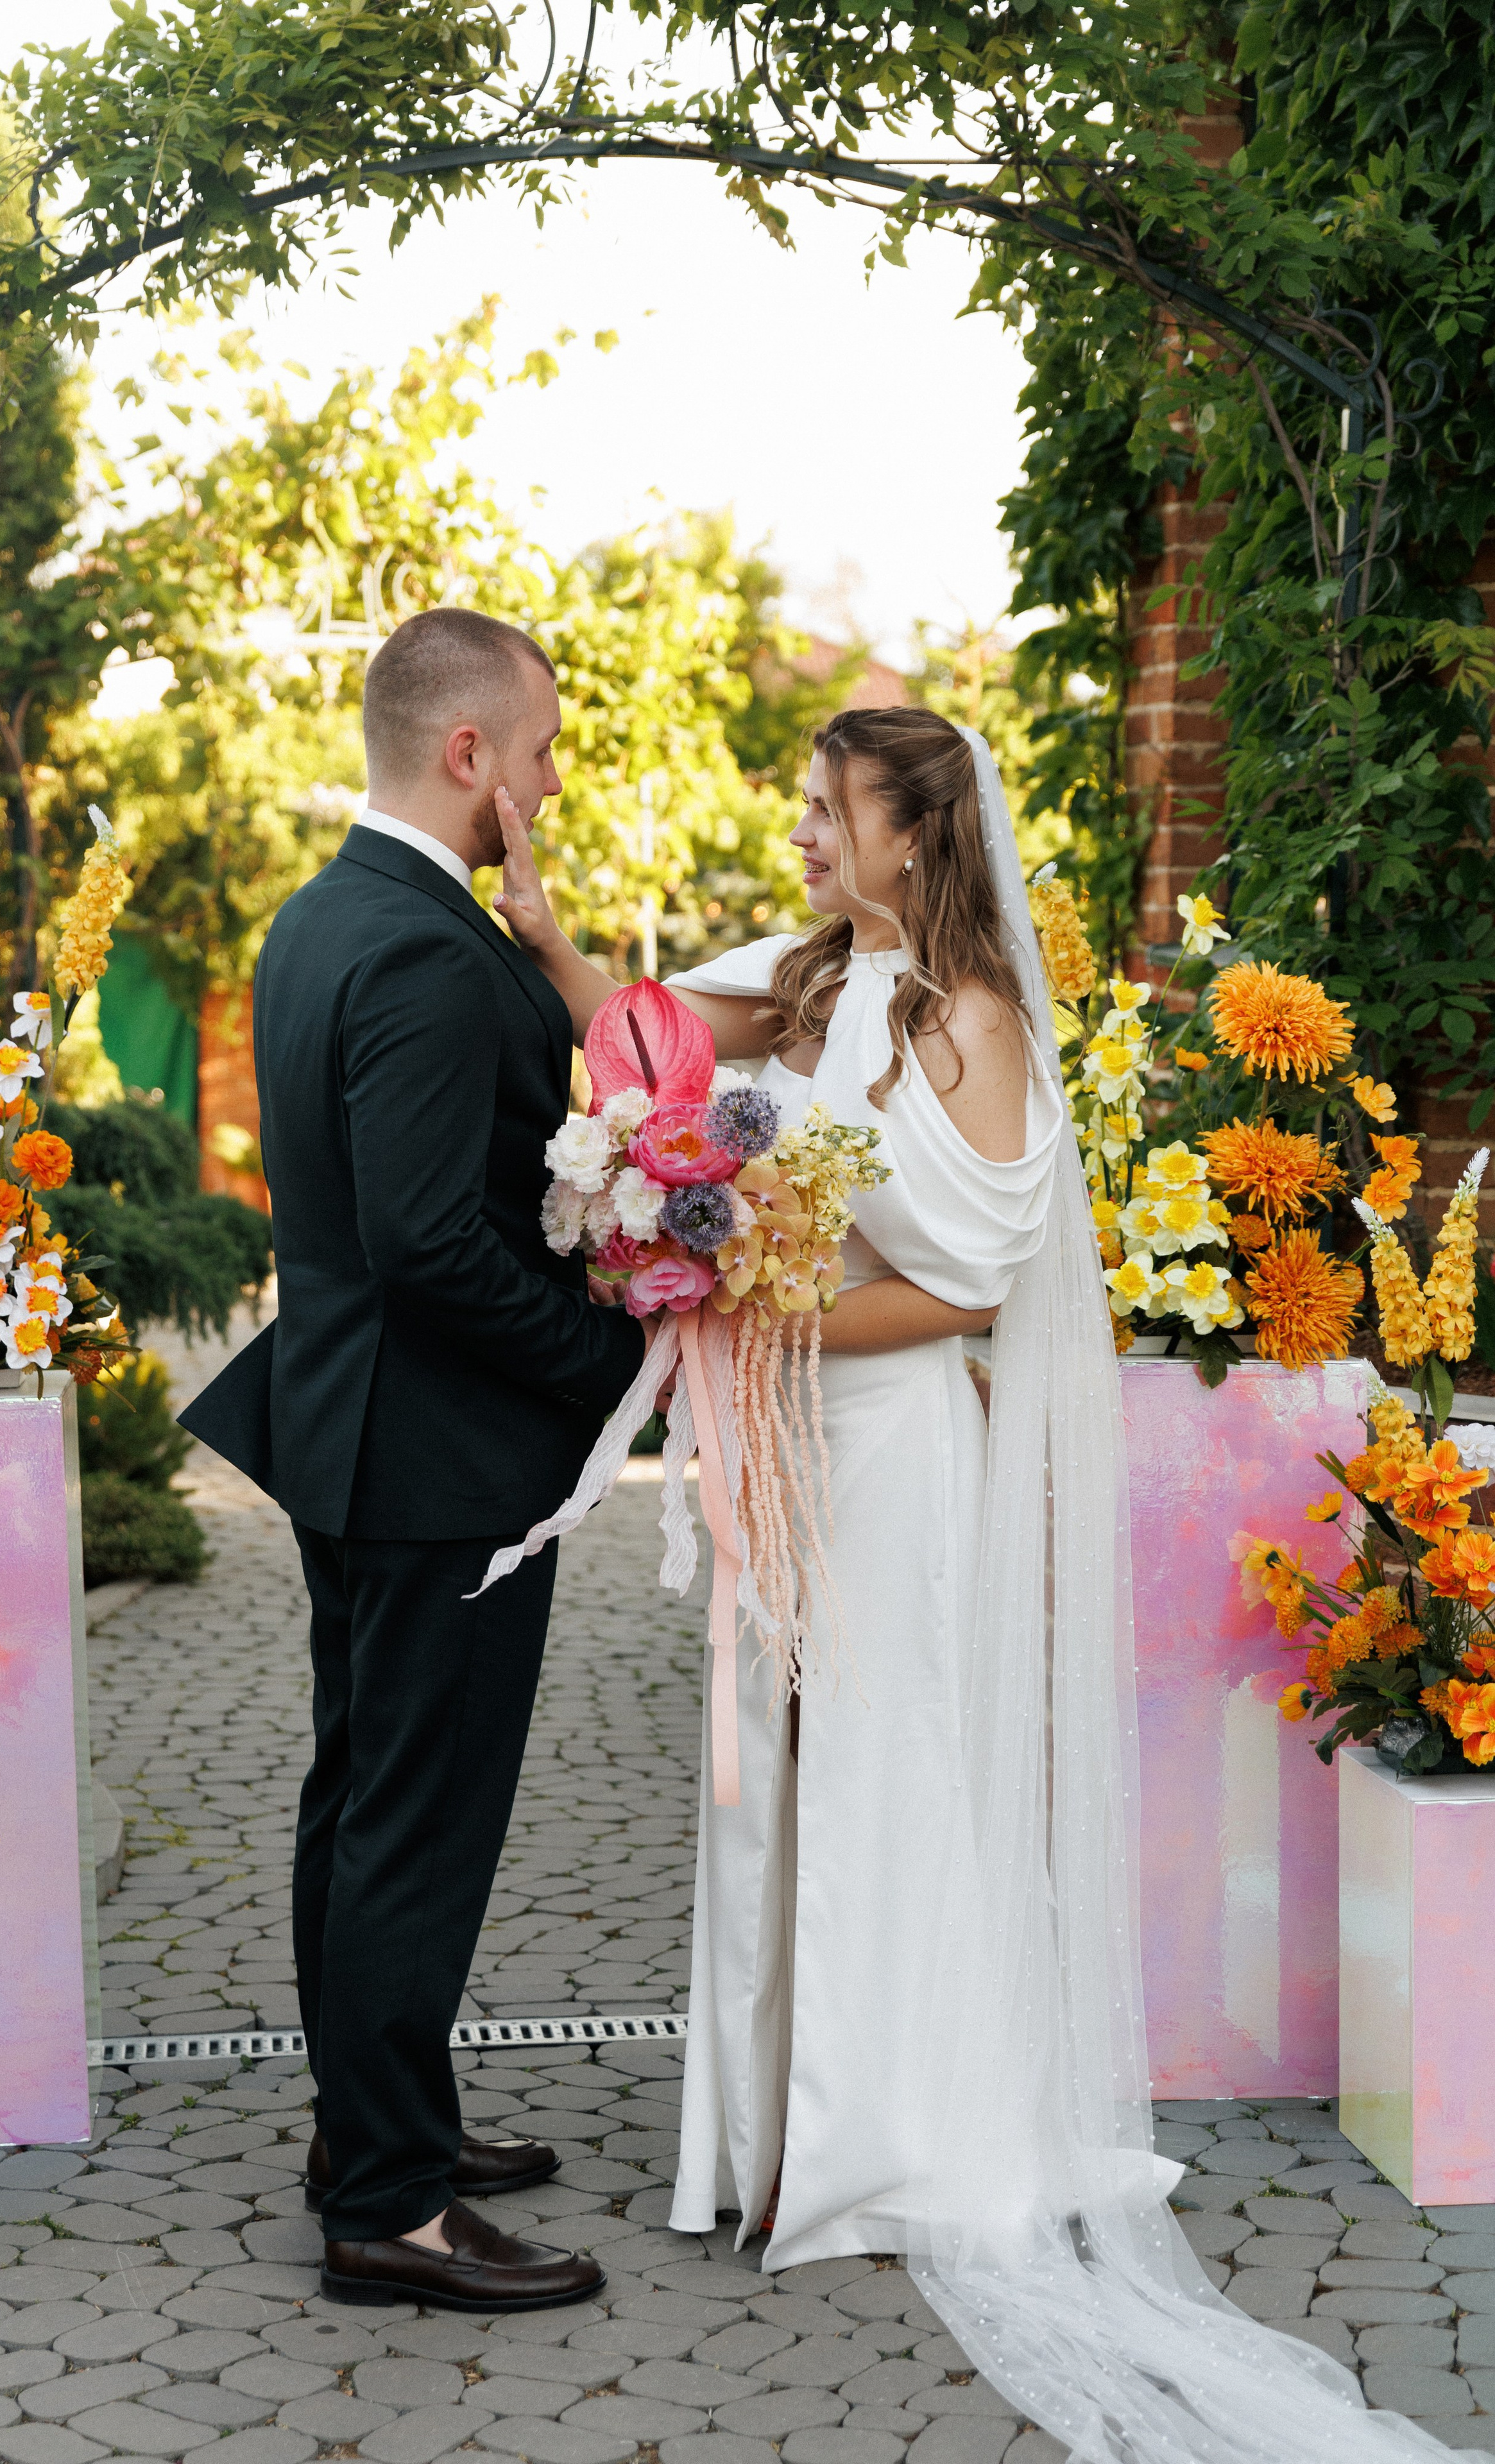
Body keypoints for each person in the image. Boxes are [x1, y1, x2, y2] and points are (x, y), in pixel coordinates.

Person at [493, 707, 1449, 2461]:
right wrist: (552, 940)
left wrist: (755, 1315)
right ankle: (774, 2140)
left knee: (880, 1770)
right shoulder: (799, 985)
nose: (798, 829)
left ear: (914, 836)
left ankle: (893, 2135)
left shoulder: (975, 1022)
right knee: (767, 1780)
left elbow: (974, 1286)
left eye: (825, 807)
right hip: (786, 1434)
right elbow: (641, 1072)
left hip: (896, 1441)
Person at [180, 606, 649, 2314]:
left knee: (359, 1803)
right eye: (537, 753)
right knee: (412, 1829)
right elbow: (436, 1243)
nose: (547, 779)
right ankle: (389, 2205)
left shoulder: (329, 918)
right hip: (437, 1459)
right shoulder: (429, 956)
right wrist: (621, 1363)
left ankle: (370, 2128)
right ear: (470, 757)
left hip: (352, 1437)